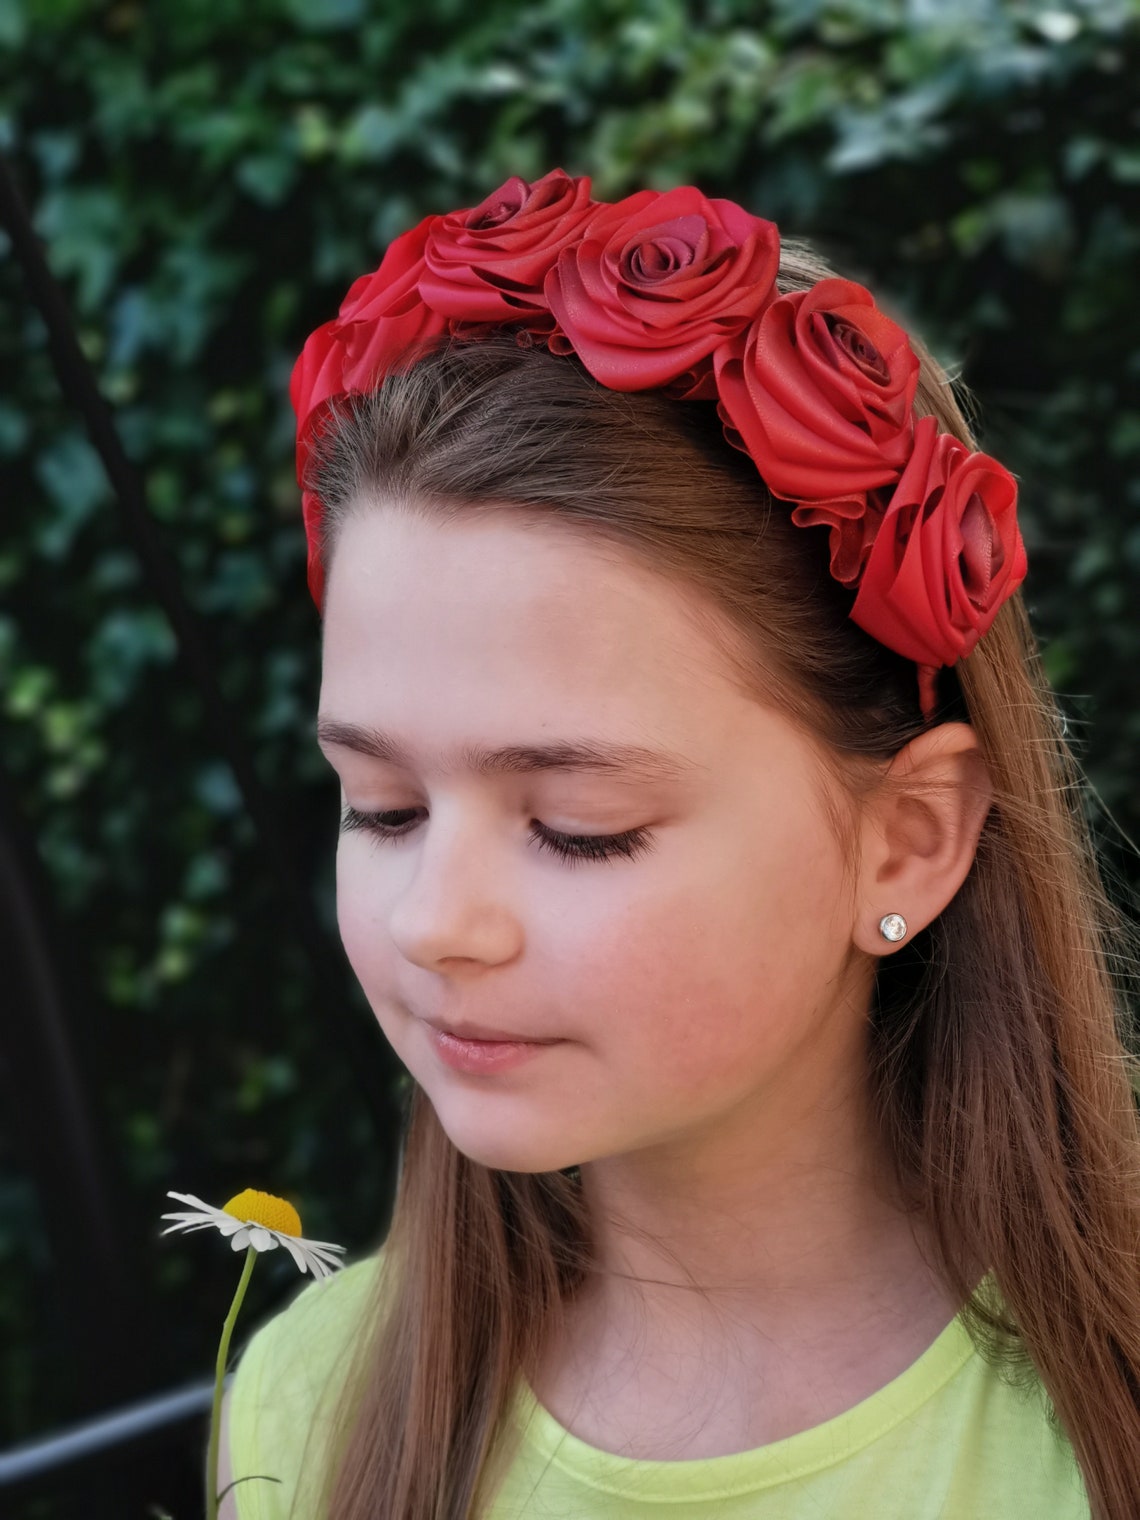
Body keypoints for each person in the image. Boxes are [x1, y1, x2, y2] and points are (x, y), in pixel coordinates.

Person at [217, 171, 1140, 1519]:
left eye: (581, 830)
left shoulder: (1091, 1426)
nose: (435, 922)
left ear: (907, 841)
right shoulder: (312, 1406)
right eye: (383, 808)